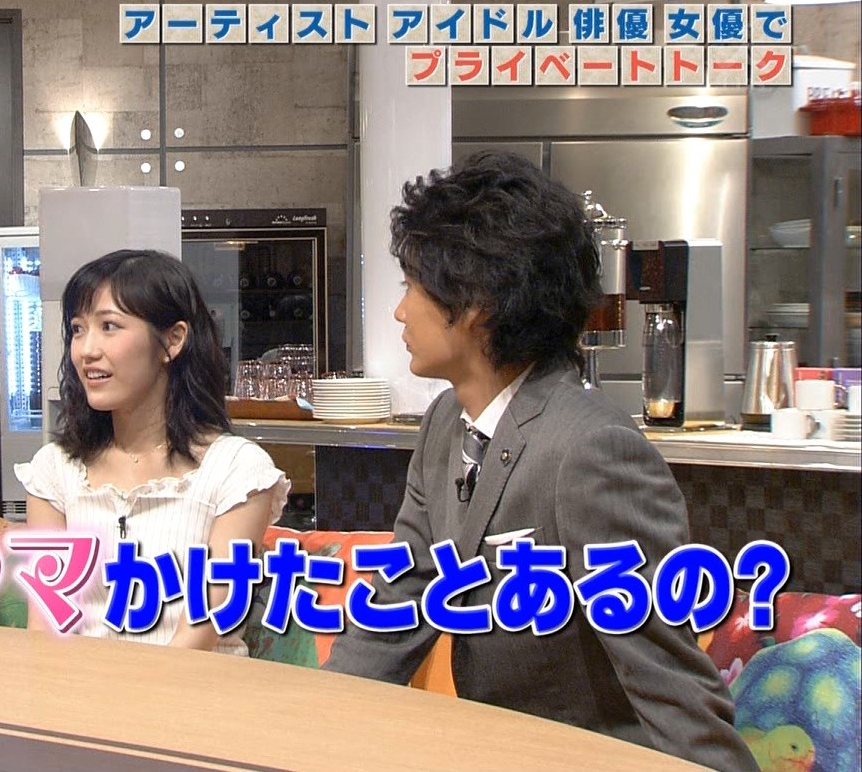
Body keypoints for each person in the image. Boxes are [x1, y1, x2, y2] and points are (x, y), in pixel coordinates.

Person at [323, 152, 756, 771]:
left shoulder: (591, 452)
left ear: (478, 304)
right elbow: (398, 603)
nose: (400, 311)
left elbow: (674, 693)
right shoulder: (445, 421)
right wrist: (314, 721)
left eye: (412, 286)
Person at [16, 249, 290, 655]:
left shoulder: (237, 471)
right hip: (76, 689)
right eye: (77, 329)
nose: (86, 350)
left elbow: (199, 633)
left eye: (109, 326)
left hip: (195, 688)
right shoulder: (54, 470)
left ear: (172, 340)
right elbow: (44, 628)